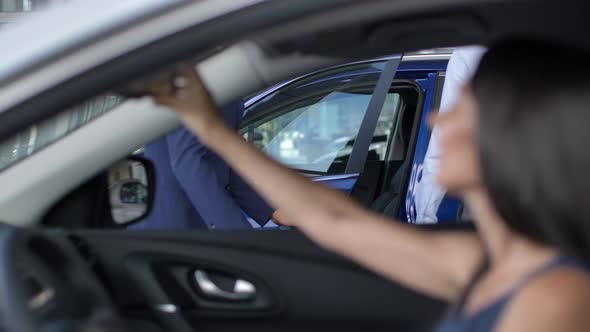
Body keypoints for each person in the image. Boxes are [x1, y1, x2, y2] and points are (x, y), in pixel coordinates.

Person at [151, 39, 590, 332]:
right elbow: (332, 220)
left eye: (461, 109)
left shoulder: (555, 299)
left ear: (511, 134)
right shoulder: (484, 263)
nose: (438, 119)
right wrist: (209, 127)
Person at [131, 102, 276, 230]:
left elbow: (221, 157)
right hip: (176, 221)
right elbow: (188, 160)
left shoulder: (223, 79)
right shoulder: (196, 77)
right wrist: (236, 232)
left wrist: (269, 209)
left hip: (190, 219)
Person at [413, 46, 486, 223]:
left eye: (459, 111)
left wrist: (424, 218)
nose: (434, 120)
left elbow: (437, 154)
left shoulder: (470, 52)